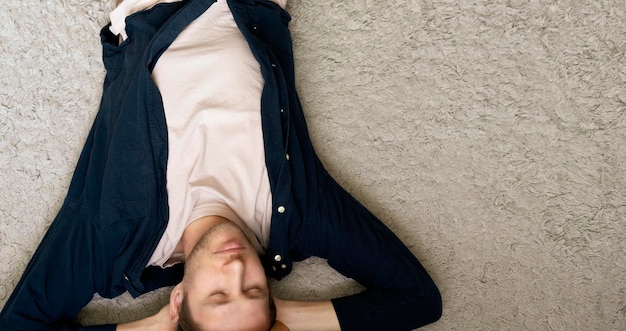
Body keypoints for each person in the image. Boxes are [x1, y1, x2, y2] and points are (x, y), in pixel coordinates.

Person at [0, 0, 442, 330]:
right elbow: (418, 300)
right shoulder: (303, 217)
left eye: (217, 295)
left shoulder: (111, 239)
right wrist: (279, 318)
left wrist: (149, 327)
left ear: (179, 300)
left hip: (154, 7)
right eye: (253, 290)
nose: (235, 270)